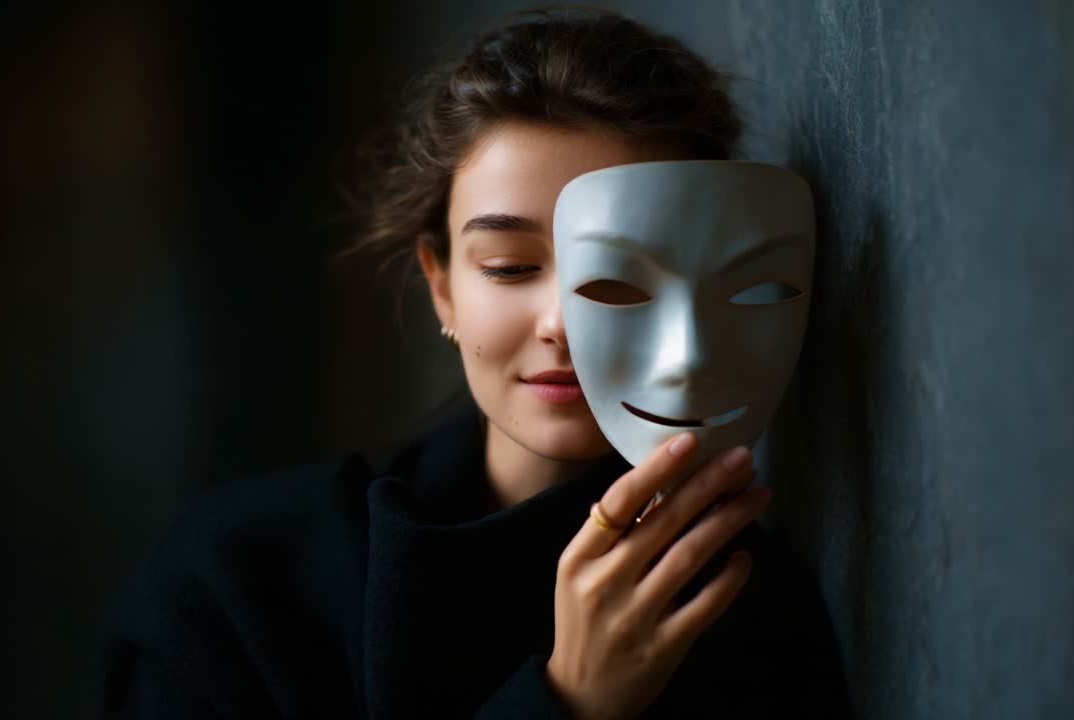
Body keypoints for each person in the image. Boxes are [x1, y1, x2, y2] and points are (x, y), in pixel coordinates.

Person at [101, 6, 851, 719]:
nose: (560, 324)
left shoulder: (752, 611)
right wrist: (567, 702)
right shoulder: (235, 586)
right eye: (509, 266)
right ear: (442, 287)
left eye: (619, 278)